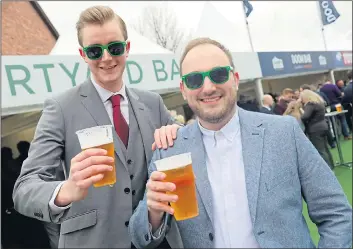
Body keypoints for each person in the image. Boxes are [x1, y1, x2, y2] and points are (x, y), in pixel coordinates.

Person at [128, 37, 352, 248]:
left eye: (218, 75)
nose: (208, 87)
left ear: (234, 80)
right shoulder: (169, 151)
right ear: (184, 90)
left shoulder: (283, 133)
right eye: (195, 79)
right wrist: (152, 213)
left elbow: (336, 213)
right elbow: (141, 238)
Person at [12, 6, 179, 248]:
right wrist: (64, 190)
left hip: (155, 239)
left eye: (114, 47)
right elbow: (24, 189)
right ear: (83, 54)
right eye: (94, 50)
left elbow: (187, 146)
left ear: (127, 48)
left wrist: (176, 132)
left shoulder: (153, 103)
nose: (106, 58)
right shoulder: (61, 107)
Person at [300, 90, 334, 169]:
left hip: (315, 129)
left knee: (320, 150)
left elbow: (305, 117)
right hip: (323, 126)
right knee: (325, 149)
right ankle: (331, 166)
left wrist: (302, 113)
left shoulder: (310, 104)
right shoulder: (319, 103)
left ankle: (328, 168)